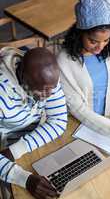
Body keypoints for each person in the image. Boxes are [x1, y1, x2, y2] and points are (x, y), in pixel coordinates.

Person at [57, 0, 110, 143]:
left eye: (106, 40)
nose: (100, 47)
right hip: (81, 127)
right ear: (79, 34)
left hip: (108, 121)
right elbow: (77, 108)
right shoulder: (64, 61)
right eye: (93, 41)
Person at [0, 47, 67, 199]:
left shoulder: (46, 79)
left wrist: (15, 151)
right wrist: (24, 179)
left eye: (53, 88)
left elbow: (59, 120)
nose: (49, 95)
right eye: (42, 91)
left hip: (23, 141)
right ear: (23, 77)